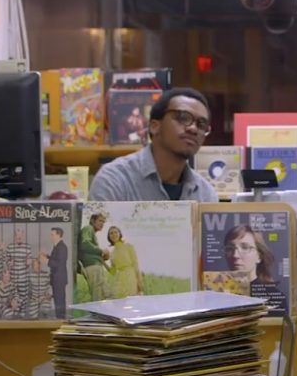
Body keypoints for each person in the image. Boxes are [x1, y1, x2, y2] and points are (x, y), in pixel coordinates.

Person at [90, 88, 218, 202]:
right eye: (183, 118)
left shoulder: (205, 194)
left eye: (201, 124)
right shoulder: (115, 180)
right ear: (154, 126)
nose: (193, 129)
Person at [78, 213, 111, 301]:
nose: (102, 224)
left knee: (105, 292)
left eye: (103, 222)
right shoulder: (88, 228)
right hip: (92, 266)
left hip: (96, 265)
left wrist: (102, 256)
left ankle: (104, 313)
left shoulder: (92, 232)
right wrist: (101, 251)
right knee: (98, 294)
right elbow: (85, 244)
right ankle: (97, 314)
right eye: (100, 221)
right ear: (92, 221)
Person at [107, 226, 144, 298]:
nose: (114, 235)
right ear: (109, 237)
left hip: (130, 276)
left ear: (119, 234)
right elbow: (113, 272)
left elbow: (135, 265)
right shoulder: (112, 253)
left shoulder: (128, 246)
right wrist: (102, 261)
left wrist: (140, 285)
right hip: (119, 279)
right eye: (111, 233)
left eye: (115, 232)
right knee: (118, 302)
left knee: (130, 300)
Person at [41, 227, 69, 318]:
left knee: (59, 301)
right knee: (58, 301)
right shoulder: (57, 246)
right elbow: (56, 260)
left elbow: (59, 264)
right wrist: (48, 256)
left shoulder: (62, 247)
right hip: (57, 279)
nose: (50, 237)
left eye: (52, 235)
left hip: (59, 279)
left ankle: (61, 320)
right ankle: (59, 319)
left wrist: (46, 261)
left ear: (58, 235)